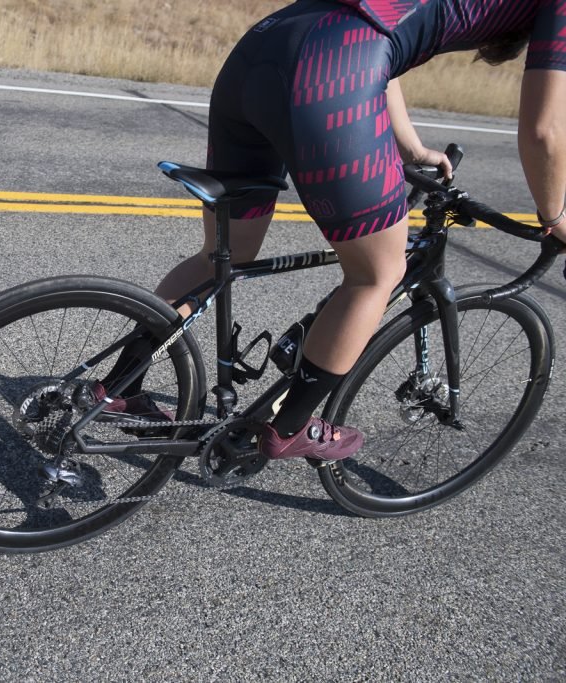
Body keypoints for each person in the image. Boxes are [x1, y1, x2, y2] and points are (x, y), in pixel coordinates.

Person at [98, 0, 566, 461]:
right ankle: (290, 426)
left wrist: (410, 146)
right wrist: (555, 218)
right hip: (333, 67)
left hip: (263, 48)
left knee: (223, 255)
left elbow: (380, 27)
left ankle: (117, 387)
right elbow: (544, 130)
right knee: (378, 273)